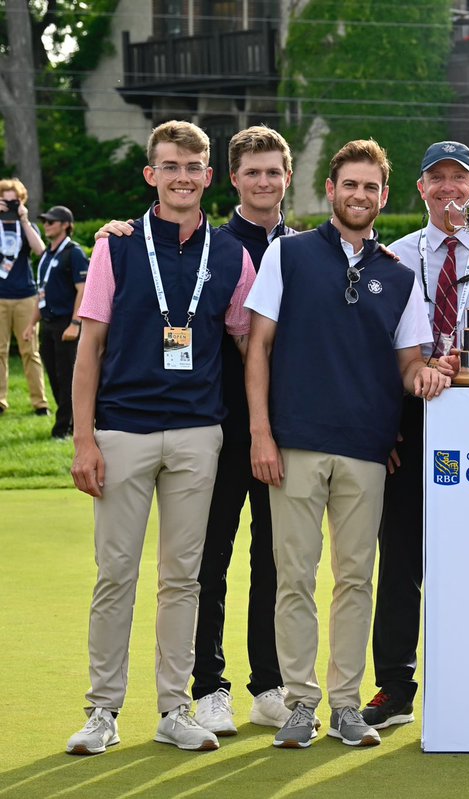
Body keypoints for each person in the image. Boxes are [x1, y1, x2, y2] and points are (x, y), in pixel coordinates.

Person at [244, 138, 455, 749]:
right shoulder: (287, 255)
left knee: (356, 579)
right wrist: (260, 432)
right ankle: (300, 703)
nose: (360, 195)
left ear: (384, 197)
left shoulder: (399, 274)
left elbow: (410, 366)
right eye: (350, 185)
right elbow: (257, 347)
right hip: (295, 445)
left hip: (367, 452)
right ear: (330, 191)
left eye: (371, 187)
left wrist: (437, 374)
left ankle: (343, 705)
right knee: (295, 578)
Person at [93, 126, 299, 734]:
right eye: (253, 172)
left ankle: (270, 683)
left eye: (274, 172)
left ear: (288, 179)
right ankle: (208, 686)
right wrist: (114, 231)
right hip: (213, 424)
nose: (264, 182)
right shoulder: (213, 242)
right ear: (230, 178)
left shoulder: (308, 247)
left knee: (273, 559)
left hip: (277, 426)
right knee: (204, 560)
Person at [66, 120, 257, 755]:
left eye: (193, 165)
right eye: (170, 165)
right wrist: (84, 441)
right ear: (152, 175)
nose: (182, 176)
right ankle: (102, 711)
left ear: (209, 176)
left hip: (199, 433)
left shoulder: (233, 255)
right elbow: (89, 348)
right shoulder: (115, 247)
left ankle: (175, 707)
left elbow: (249, 345)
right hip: (122, 430)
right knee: (115, 574)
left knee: (183, 577)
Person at [360, 140, 469, 730]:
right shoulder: (394, 255)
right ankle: (395, 687)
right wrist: (382, 427)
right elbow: (375, 348)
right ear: (419, 189)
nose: (449, 189)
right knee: (402, 556)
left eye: (460, 179)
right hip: (408, 418)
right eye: (436, 179)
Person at [22, 205, 87, 438]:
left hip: (66, 324)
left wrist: (76, 323)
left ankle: (63, 430)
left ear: (66, 225)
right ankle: (68, 423)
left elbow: (83, 290)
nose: (47, 224)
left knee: (68, 377)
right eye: (46, 221)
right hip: (48, 324)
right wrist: (31, 324)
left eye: (52, 221)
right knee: (54, 377)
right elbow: (42, 293)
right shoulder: (47, 255)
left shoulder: (74, 252)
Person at [0, 177, 48, 416]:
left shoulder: (24, 224)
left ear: (22, 202)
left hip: (25, 295)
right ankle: (0, 401)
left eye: (14, 201)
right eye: (5, 201)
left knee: (30, 351)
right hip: (0, 296)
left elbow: (40, 250)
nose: (9, 205)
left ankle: (40, 403)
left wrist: (24, 219)